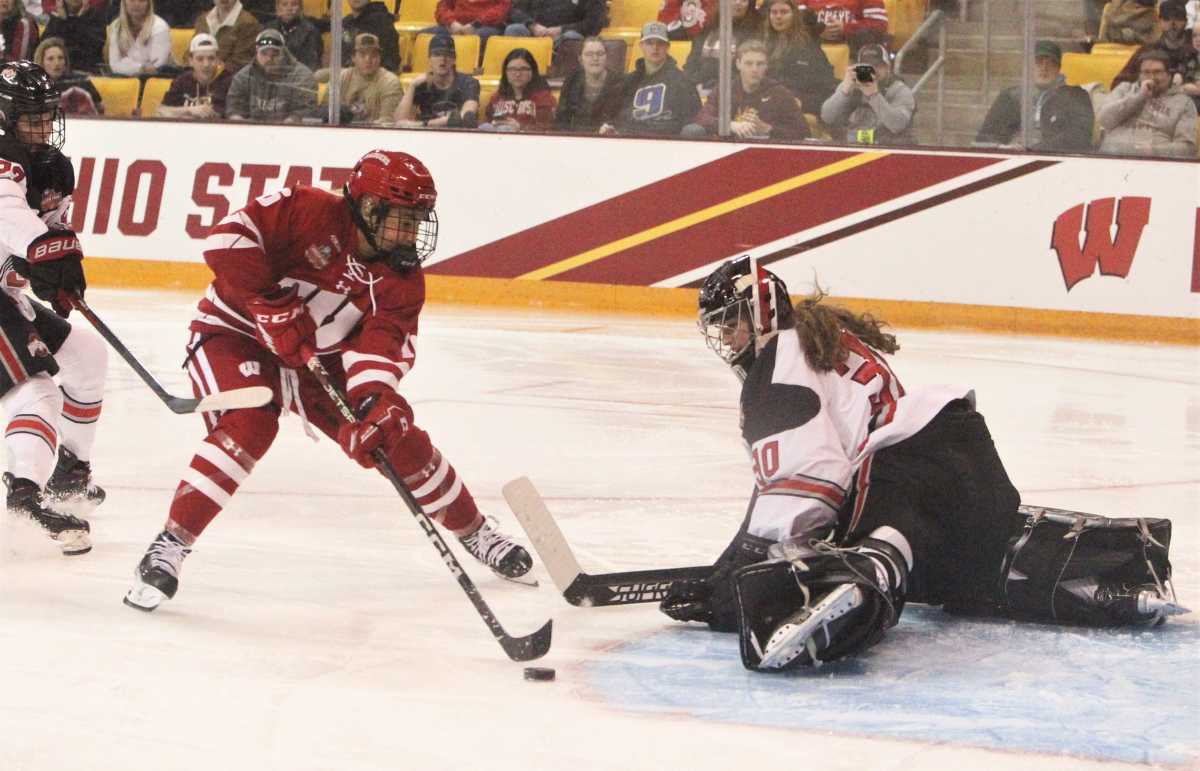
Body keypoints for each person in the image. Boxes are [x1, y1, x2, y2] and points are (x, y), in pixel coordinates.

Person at [658, 256, 1188, 672]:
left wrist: (747, 579)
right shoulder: (819, 342)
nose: (726, 339)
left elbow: (807, 486)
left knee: (870, 545)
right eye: (718, 327)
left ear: (763, 313)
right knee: (966, 574)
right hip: (964, 463)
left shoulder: (775, 366)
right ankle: (1118, 569)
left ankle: (865, 576)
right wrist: (729, 564)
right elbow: (777, 485)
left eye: (731, 324)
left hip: (907, 470)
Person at [122, 149, 534, 612]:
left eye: (419, 220)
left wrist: (377, 402)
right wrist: (267, 303)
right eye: (404, 219)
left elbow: (382, 346)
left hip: (317, 358)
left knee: (396, 439)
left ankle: (474, 530)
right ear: (369, 208)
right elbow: (226, 240)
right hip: (235, 333)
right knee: (251, 422)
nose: (413, 233)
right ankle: (171, 544)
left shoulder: (401, 280)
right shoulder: (308, 210)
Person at [0, 61, 108, 557]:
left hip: (5, 294)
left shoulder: (52, 167)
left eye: (47, 115)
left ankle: (71, 474)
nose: (44, 126)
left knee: (87, 354)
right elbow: (26, 236)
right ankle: (25, 491)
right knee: (35, 384)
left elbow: (53, 238)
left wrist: (64, 272)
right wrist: (51, 262)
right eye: (30, 118)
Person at [974, 40, 1095, 152]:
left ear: (1059, 69)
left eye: (1051, 62)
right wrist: (1002, 147)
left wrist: (1032, 150)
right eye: (1039, 62)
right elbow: (983, 138)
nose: (1044, 68)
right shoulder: (1009, 97)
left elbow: (1080, 137)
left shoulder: (1075, 96)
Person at [683, 40, 809, 140]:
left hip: (766, 155)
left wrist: (768, 129)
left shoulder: (779, 93)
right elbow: (702, 117)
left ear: (767, 66)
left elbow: (803, 131)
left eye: (760, 64)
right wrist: (729, 125)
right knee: (692, 130)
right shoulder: (724, 89)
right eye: (749, 63)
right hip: (727, 151)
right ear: (738, 64)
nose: (754, 69)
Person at [601, 21, 700, 136]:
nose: (655, 48)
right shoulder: (628, 81)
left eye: (660, 43)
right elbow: (614, 117)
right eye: (649, 43)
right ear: (641, 45)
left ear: (668, 46)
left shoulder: (683, 82)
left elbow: (692, 122)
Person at [1098, 48, 1197, 158]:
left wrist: (1155, 151)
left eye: (1157, 72)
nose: (1151, 77)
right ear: (1140, 75)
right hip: (1111, 157)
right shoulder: (1124, 89)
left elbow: (1187, 149)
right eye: (1146, 72)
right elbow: (1104, 120)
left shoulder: (1183, 102)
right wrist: (1139, 97)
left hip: (1153, 163)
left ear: (1169, 75)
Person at [820, 41, 914, 145]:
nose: (873, 71)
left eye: (878, 66)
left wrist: (874, 96)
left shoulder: (900, 90)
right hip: (853, 145)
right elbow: (827, 117)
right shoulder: (852, 84)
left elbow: (897, 125)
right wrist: (843, 92)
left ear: (888, 68)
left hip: (889, 147)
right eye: (867, 66)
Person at [226, 27, 317, 122]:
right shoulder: (243, 77)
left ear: (284, 53)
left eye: (275, 54)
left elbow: (306, 110)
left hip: (289, 132)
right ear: (256, 52)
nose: (269, 59)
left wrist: (289, 124)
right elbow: (234, 109)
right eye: (264, 54)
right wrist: (238, 122)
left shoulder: (302, 76)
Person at [761, 0, 836, 116]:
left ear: (794, 15)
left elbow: (826, 86)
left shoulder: (808, 46)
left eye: (784, 12)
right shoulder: (761, 44)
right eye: (774, 12)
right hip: (765, 102)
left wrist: (804, 103)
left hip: (798, 107)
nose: (778, 17)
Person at [393, 32, 479, 128]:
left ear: (454, 59)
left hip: (457, 137)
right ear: (429, 59)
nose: (443, 60)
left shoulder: (468, 83)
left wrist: (423, 124)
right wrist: (412, 86)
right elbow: (399, 122)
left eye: (448, 54)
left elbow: (466, 116)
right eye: (437, 54)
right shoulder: (421, 84)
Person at [325, 32, 402, 125]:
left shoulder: (390, 82)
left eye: (373, 55)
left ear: (379, 58)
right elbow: (326, 113)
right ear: (353, 58)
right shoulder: (342, 77)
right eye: (362, 55)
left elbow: (388, 122)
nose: (368, 60)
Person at [683, 0, 760, 91]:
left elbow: (748, 71)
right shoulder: (708, 29)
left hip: (733, 93)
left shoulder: (755, 33)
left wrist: (712, 68)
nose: (738, 3)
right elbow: (690, 64)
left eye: (743, 0)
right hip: (699, 89)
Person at [156, 32, 233, 119]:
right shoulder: (182, 81)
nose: (206, 64)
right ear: (191, 61)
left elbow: (219, 115)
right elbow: (161, 111)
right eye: (200, 59)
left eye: (211, 58)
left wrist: (180, 113)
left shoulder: (228, 81)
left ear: (218, 60)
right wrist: (189, 110)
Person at [553, 35, 622, 132]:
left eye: (600, 54)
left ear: (607, 57)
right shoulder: (571, 80)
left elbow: (621, 120)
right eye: (589, 54)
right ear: (580, 59)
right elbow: (561, 119)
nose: (595, 58)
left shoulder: (620, 82)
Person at [481, 46, 555, 131]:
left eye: (523, 69)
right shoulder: (496, 98)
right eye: (512, 69)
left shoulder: (544, 99)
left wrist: (520, 127)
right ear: (505, 73)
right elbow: (487, 121)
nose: (517, 74)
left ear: (532, 72)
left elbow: (547, 129)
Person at [34, 37, 103, 115]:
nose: (57, 63)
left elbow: (100, 110)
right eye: (50, 59)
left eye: (60, 58)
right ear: (41, 62)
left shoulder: (83, 83)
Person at [105, 0, 171, 77]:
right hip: (123, 80)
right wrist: (141, 68)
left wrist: (126, 63)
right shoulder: (116, 26)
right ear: (124, 2)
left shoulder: (160, 27)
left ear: (148, 4)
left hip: (152, 81)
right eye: (132, 0)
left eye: (141, 0)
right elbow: (114, 65)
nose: (136, 4)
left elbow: (156, 67)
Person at [504, 0, 607, 49]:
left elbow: (593, 25)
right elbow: (514, 10)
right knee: (514, 29)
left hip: (564, 37)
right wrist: (532, 25)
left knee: (571, 37)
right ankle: (516, 73)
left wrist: (561, 29)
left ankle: (566, 80)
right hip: (534, 34)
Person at [194, 0, 261, 74]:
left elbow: (240, 63)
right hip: (199, 75)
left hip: (228, 78)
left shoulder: (249, 23)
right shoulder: (203, 19)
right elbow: (191, 52)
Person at [429, 0, 510, 60]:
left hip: (486, 25)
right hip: (456, 26)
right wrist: (452, 22)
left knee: (480, 36)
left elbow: (501, 10)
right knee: (423, 34)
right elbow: (443, 7)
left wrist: (476, 24)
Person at [42, 0, 105, 74]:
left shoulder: (95, 16)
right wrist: (61, 20)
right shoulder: (55, 20)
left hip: (88, 71)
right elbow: (45, 48)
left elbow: (90, 50)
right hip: (59, 73)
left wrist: (81, 18)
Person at [797, 0, 886, 49]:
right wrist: (817, 30)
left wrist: (845, 28)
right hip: (813, 47)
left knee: (866, 35)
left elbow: (878, 25)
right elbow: (793, 22)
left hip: (854, 48)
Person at [340, 0, 400, 73]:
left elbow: (391, 62)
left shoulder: (382, 21)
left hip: (374, 78)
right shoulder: (345, 23)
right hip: (347, 76)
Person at [263, 0, 321, 72]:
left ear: (300, 8)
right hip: (271, 76)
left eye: (294, 4)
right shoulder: (269, 29)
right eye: (284, 4)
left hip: (299, 77)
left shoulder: (310, 32)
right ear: (277, 8)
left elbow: (311, 65)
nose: (289, 8)